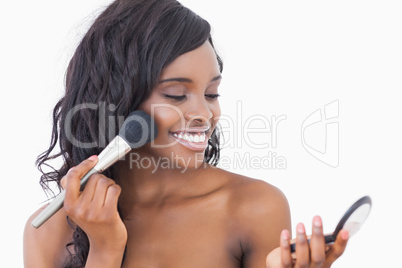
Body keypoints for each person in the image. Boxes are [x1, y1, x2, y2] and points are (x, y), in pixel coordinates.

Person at [23, 0, 349, 267]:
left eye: (212, 93)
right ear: (113, 102)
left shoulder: (252, 207)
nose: (204, 115)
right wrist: (105, 250)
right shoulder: (48, 231)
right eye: (176, 94)